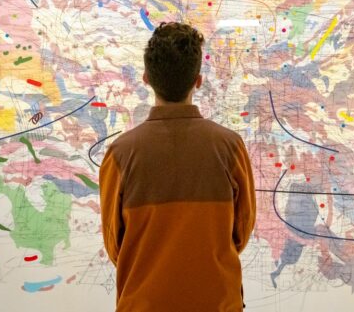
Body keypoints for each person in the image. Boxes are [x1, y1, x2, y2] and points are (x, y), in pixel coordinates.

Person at [99, 22, 256, 312]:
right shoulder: (230, 147)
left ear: (146, 78)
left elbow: (115, 245)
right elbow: (241, 232)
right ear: (197, 80)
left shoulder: (120, 154)